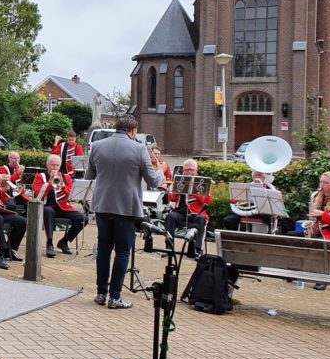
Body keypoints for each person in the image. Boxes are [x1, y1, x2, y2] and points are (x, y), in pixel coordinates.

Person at [86, 116, 164, 309]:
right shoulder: (139, 149)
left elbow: (89, 175)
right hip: (126, 208)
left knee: (104, 250)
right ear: (133, 131)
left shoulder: (97, 146)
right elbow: (153, 181)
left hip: (102, 205)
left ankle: (101, 293)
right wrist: (160, 170)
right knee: (122, 252)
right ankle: (115, 297)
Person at [32, 154, 85, 257]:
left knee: (83, 218)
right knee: (48, 212)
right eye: (52, 165)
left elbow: (72, 196)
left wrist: (64, 187)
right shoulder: (40, 176)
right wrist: (49, 183)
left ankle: (64, 242)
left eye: (57, 165)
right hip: (48, 206)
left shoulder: (66, 177)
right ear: (47, 165)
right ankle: (49, 243)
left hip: (63, 207)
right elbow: (38, 195)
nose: (55, 168)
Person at [165, 159, 213, 258]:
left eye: (191, 170)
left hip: (197, 213)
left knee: (201, 220)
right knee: (170, 217)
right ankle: (169, 247)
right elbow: (172, 198)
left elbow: (207, 202)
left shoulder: (204, 183)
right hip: (181, 212)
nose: (189, 172)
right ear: (183, 171)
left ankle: (198, 250)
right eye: (187, 170)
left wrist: (195, 191)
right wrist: (178, 189)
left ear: (196, 171)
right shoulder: (179, 181)